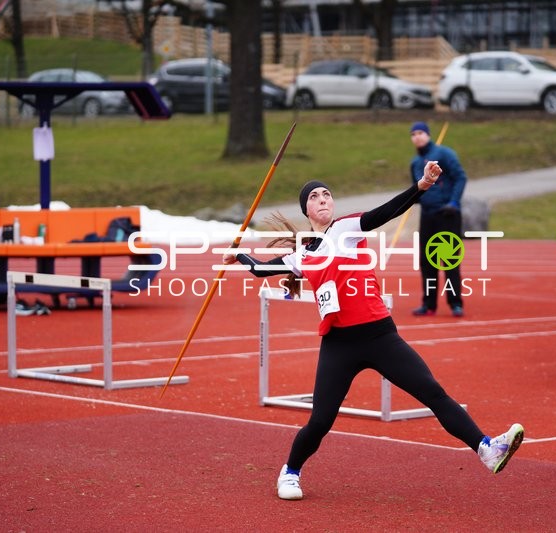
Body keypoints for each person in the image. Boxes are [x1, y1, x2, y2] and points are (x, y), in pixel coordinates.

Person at [223, 164, 524, 501]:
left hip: (380, 336)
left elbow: (385, 212)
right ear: (306, 209)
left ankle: (486, 449)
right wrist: (238, 254)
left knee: (433, 393)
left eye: (326, 194)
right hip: (340, 344)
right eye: (314, 196)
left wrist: (421, 186)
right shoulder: (303, 255)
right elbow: (263, 270)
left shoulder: (347, 228)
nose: (322, 199)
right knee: (321, 421)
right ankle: (290, 472)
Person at [409, 121, 468, 318]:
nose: (417, 136)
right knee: (427, 261)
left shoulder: (444, 154)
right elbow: (417, 187)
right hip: (428, 215)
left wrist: (453, 202)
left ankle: (455, 303)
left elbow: (460, 177)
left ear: (428, 134)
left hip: (447, 214)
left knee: (449, 260)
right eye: (413, 134)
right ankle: (429, 304)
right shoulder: (415, 163)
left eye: (420, 133)